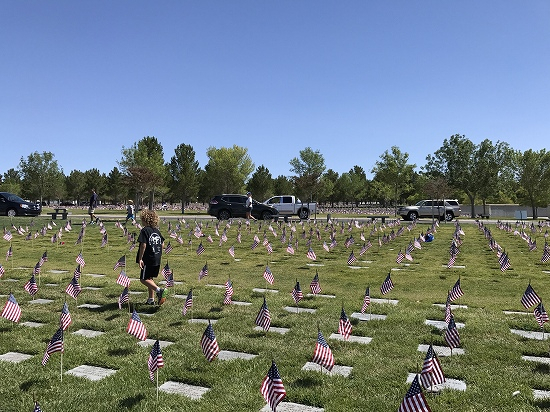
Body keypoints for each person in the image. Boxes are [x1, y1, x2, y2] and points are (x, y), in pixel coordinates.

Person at [136, 209, 168, 305]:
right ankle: (151, 300)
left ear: (145, 220)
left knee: (144, 279)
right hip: (156, 258)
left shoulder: (145, 230)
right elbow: (162, 244)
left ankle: (159, 291)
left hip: (148, 259)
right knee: (150, 278)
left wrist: (140, 258)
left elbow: (143, 245)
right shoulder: (156, 231)